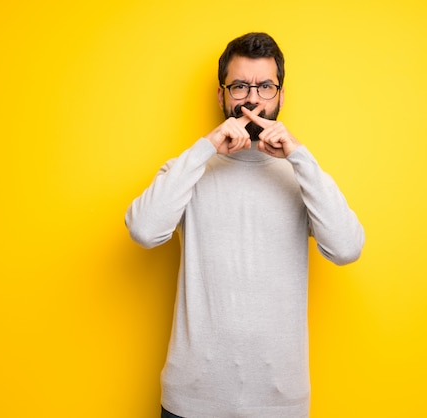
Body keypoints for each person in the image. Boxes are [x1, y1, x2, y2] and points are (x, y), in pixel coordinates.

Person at [125, 32, 365, 418]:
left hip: (278, 404)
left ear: (281, 97)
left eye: (265, 87)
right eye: (240, 86)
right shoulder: (191, 169)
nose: (252, 99)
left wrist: (299, 157)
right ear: (222, 96)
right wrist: (205, 147)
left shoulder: (301, 176)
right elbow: (144, 230)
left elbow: (346, 247)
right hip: (191, 400)